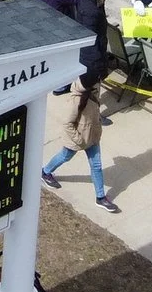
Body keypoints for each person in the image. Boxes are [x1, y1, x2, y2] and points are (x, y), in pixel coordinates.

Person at [39, 76, 120, 211]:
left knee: (96, 165)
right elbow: (68, 123)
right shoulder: (77, 98)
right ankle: (45, 172)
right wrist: (79, 140)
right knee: (65, 156)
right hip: (79, 138)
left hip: (92, 136)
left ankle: (100, 197)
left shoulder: (94, 92)